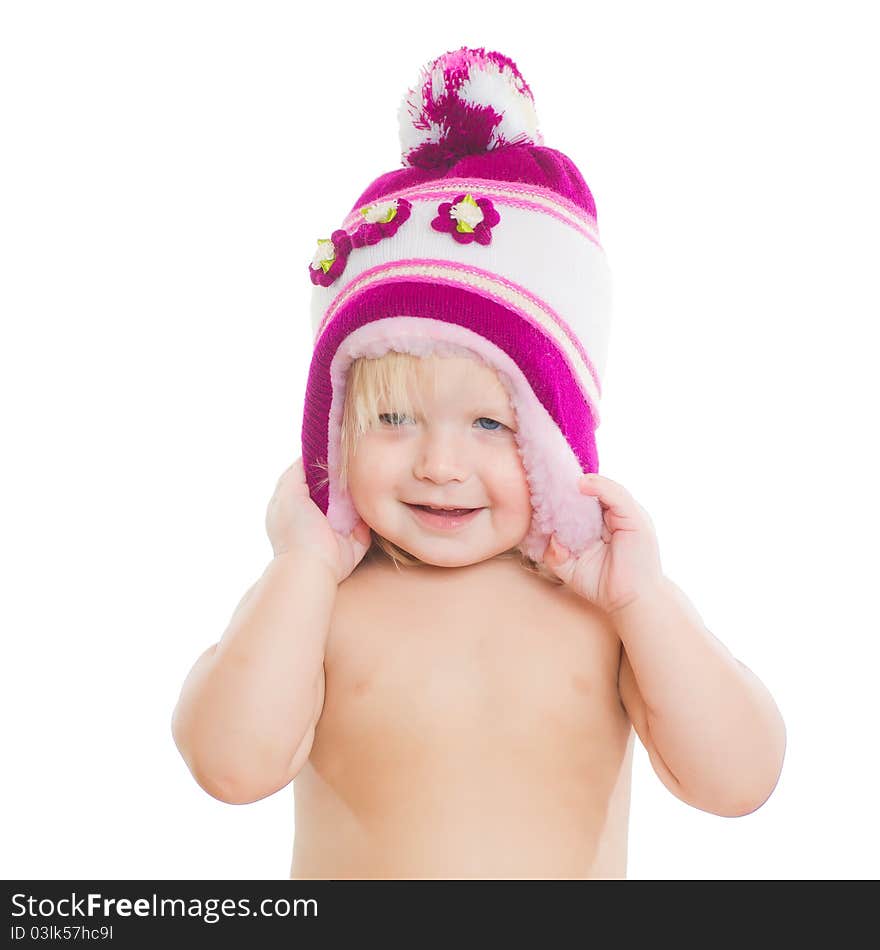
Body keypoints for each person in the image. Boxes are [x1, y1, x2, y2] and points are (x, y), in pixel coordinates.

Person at [171, 46, 786, 880]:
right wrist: (303, 568)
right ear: (332, 432)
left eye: (493, 424)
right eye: (390, 418)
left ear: (555, 438)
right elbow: (230, 767)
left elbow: (741, 780)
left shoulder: (607, 612)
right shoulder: (322, 601)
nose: (439, 464)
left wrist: (643, 599)